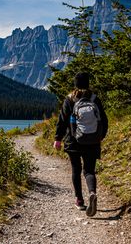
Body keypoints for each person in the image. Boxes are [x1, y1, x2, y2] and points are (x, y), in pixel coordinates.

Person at [53, 72, 108, 217]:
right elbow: (104, 120)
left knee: (76, 170)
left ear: (75, 83)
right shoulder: (94, 99)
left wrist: (58, 138)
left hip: (73, 141)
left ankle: (79, 200)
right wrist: (100, 137)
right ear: (88, 83)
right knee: (89, 171)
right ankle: (92, 192)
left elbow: (62, 120)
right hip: (92, 141)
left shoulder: (70, 99)